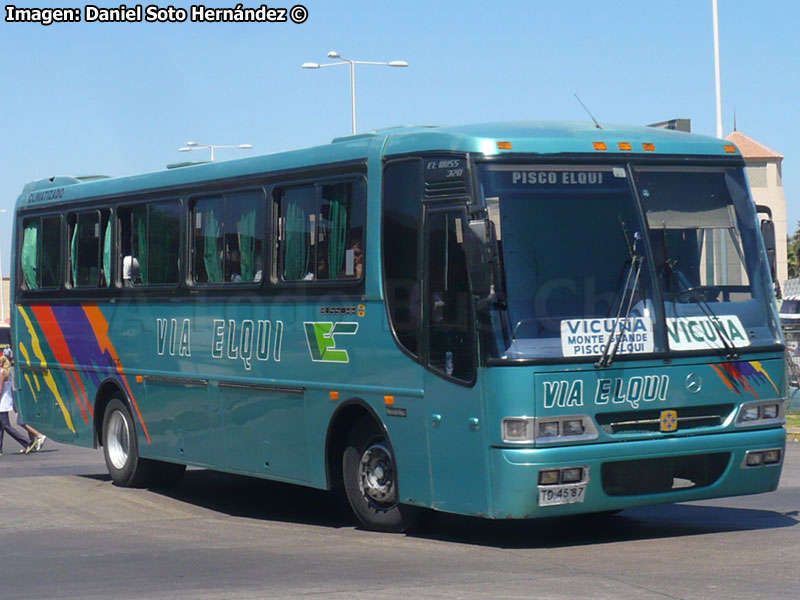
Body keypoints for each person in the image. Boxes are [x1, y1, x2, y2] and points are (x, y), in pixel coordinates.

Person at [4, 348, 46, 451]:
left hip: (20, 399)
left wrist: (15, 404)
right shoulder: (10, 374)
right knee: (25, 420)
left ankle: (39, 436)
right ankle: (31, 443)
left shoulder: (7, 374)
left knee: (21, 421)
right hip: (21, 398)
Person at [0, 355, 34, 455]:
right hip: (5, 402)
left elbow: (0, 389)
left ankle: (27, 442)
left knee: (6, 426)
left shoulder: (1, 372)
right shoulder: (7, 373)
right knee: (1, 427)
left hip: (2, 403)